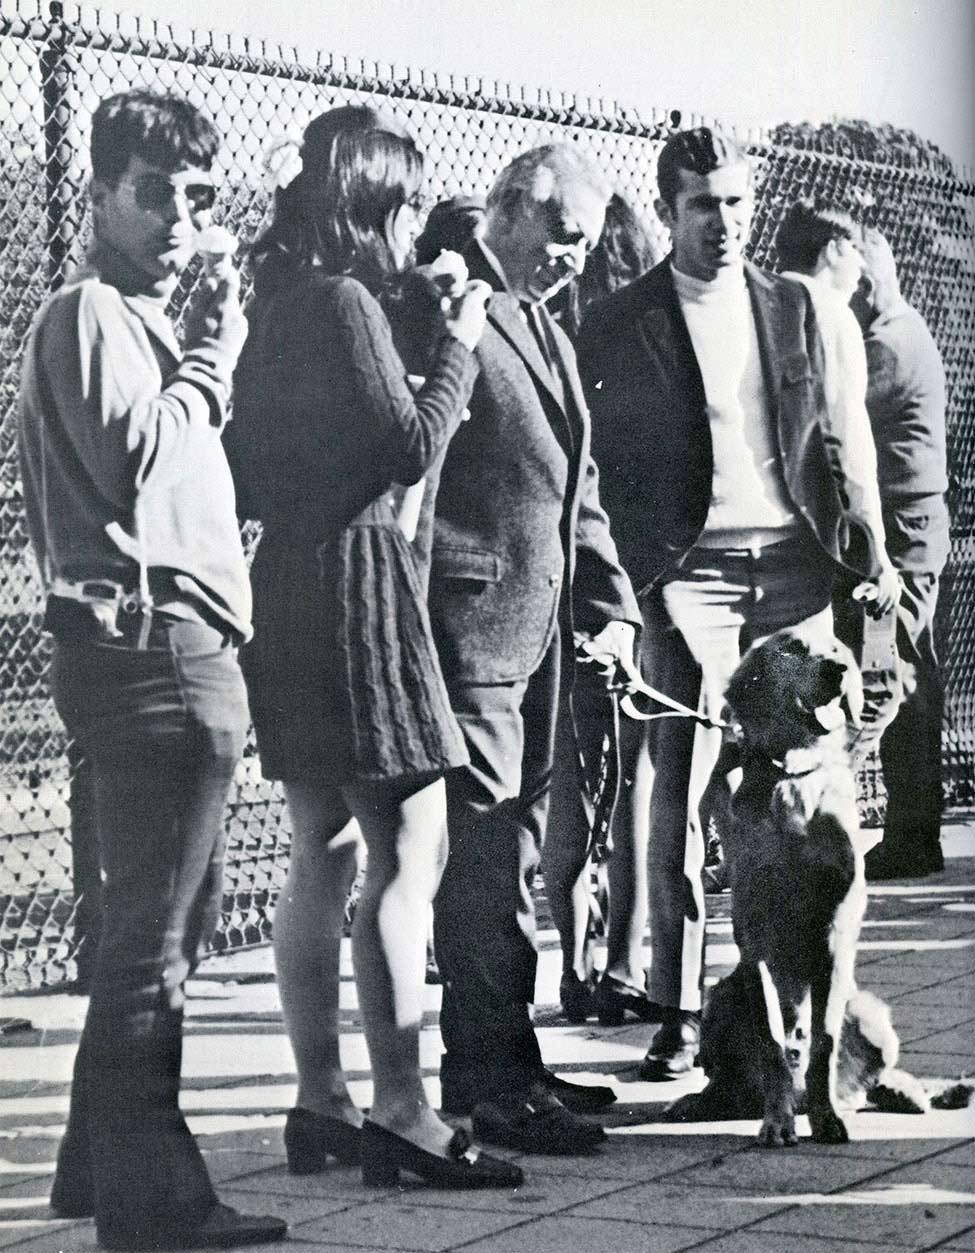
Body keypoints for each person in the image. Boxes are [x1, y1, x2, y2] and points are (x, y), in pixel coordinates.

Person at [231, 104, 521, 1191]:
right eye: (401, 208)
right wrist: (455, 350)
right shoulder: (348, 301)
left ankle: (323, 1101)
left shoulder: (279, 302)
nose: (409, 233)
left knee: (320, 847)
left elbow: (255, 468)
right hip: (358, 590)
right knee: (409, 847)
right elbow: (406, 446)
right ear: (373, 204)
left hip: (290, 587)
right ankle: (405, 1110)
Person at [17, 89, 286, 1250]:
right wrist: (213, 360)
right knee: (156, 938)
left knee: (159, 914)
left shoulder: (135, 313)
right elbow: (136, 459)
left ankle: (92, 1165)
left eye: (197, 195)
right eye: (154, 192)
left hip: (170, 642)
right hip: (149, 651)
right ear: (101, 195)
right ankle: (153, 1199)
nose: (180, 216)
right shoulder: (88, 312)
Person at [577, 127, 890, 1081]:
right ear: (669, 209)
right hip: (689, 573)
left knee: (814, 785)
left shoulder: (799, 308)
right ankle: (674, 1010)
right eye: (704, 204)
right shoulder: (620, 319)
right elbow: (604, 469)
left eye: (738, 203)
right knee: (681, 783)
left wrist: (873, 553)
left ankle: (816, 1018)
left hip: (794, 565)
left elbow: (847, 438)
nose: (724, 222)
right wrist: (623, 593)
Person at [428, 143, 642, 1155]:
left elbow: (576, 489)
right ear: (510, 206)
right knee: (483, 861)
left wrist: (614, 605)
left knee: (513, 845)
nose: (573, 259)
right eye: (562, 236)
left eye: (586, 245)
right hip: (472, 627)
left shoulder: (545, 323)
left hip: (544, 632)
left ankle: (510, 1058)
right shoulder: (449, 295)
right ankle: (483, 1077)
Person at [541, 192, 661, 1026]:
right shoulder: (652, 336)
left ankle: (572, 959)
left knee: (566, 783)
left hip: (567, 579)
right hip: (637, 575)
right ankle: (624, 958)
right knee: (636, 781)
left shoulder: (556, 338)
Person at [774, 198, 903, 761]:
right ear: (836, 249)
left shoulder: (757, 299)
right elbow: (847, 437)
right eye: (857, 255)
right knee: (813, 710)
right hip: (808, 540)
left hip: (732, 533)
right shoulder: (829, 310)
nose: (861, 274)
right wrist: (875, 547)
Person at [851, 226, 952, 879]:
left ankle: (912, 832)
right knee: (911, 668)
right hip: (912, 520)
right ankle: (914, 826)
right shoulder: (903, 327)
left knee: (903, 673)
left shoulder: (887, 342)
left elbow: (840, 416)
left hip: (905, 525)